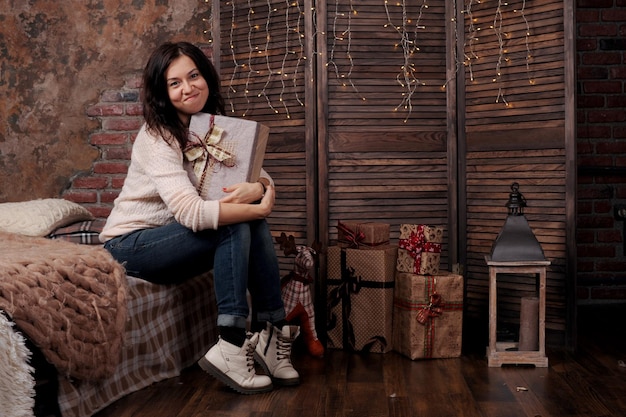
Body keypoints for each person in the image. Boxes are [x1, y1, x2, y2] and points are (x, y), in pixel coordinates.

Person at [99, 41, 299, 394]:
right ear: (163, 92)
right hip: (132, 246)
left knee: (246, 220)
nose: (188, 87)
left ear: (205, 76)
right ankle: (233, 342)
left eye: (193, 76)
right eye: (174, 83)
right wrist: (259, 206)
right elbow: (191, 212)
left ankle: (271, 332)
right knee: (238, 221)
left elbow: (259, 173)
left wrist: (258, 189)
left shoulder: (211, 126)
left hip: (178, 244)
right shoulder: (156, 136)